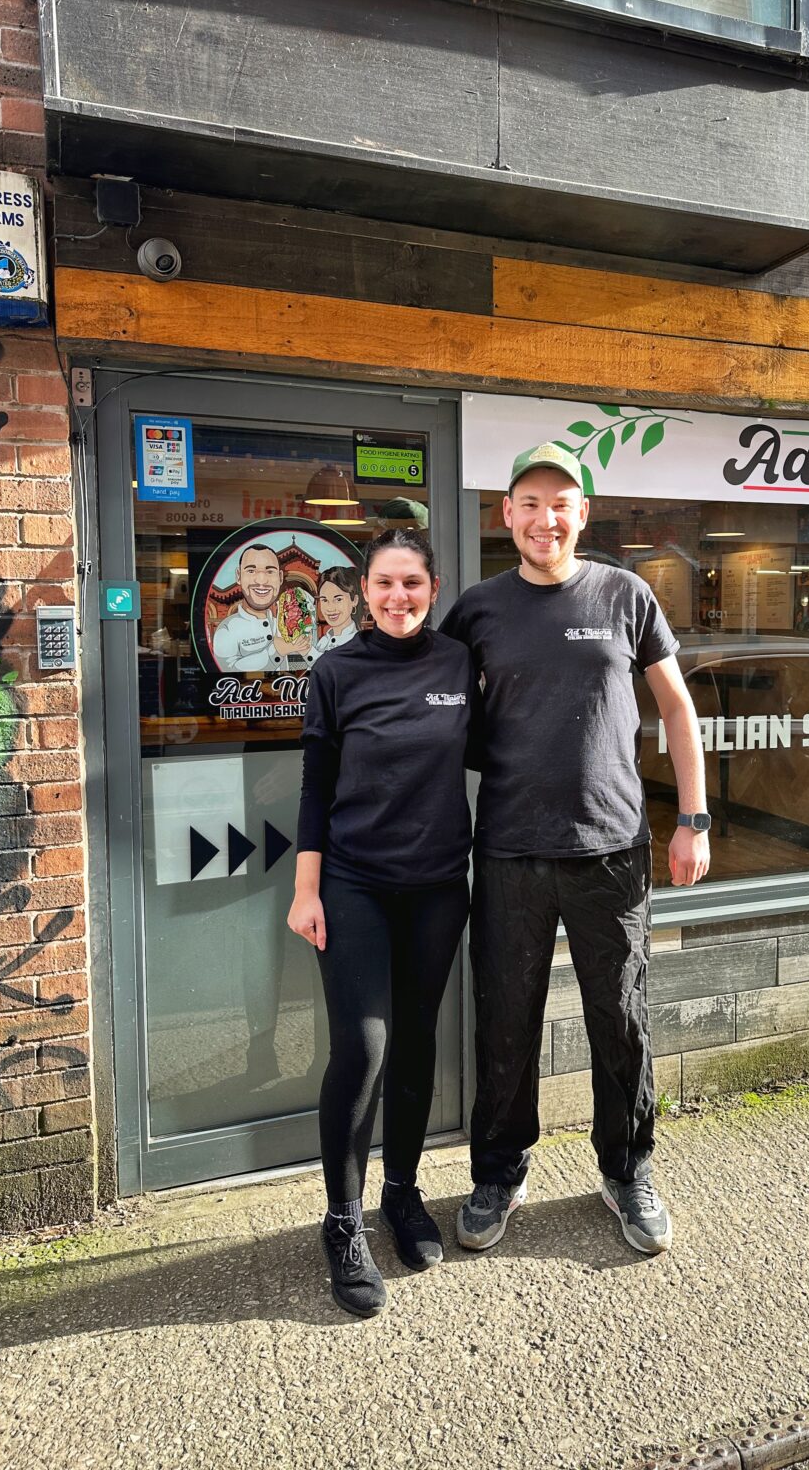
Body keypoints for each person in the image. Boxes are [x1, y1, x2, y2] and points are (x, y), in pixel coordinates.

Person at [440, 442, 711, 1258]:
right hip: (510, 850)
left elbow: (677, 708)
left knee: (620, 1018)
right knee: (506, 1020)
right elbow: (436, 712)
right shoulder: (479, 610)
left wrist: (693, 819)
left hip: (611, 850)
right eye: (530, 503)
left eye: (561, 504)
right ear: (507, 515)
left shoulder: (625, 594)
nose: (544, 518)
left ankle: (627, 1170)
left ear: (582, 514)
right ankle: (500, 1172)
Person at [288, 528, 473, 1318]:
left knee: (418, 1041)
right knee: (363, 1048)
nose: (399, 597)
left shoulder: (460, 664)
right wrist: (306, 891)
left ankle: (402, 1192)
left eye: (413, 583)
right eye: (386, 583)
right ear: (365, 590)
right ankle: (343, 1221)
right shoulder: (335, 673)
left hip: (438, 886)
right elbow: (314, 788)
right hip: (354, 884)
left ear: (433, 588)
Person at [212, 542, 312, 673]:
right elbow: (226, 670)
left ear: (280, 578)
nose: (261, 580)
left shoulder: (283, 625)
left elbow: (301, 666)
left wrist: (306, 651)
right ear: (238, 576)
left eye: (270, 571)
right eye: (251, 571)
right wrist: (276, 650)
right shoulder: (227, 629)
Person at [307, 564, 362, 664]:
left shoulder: (356, 642)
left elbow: (332, 668)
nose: (330, 608)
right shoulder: (323, 641)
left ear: (354, 600)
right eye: (324, 600)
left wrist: (307, 651)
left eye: (338, 599)